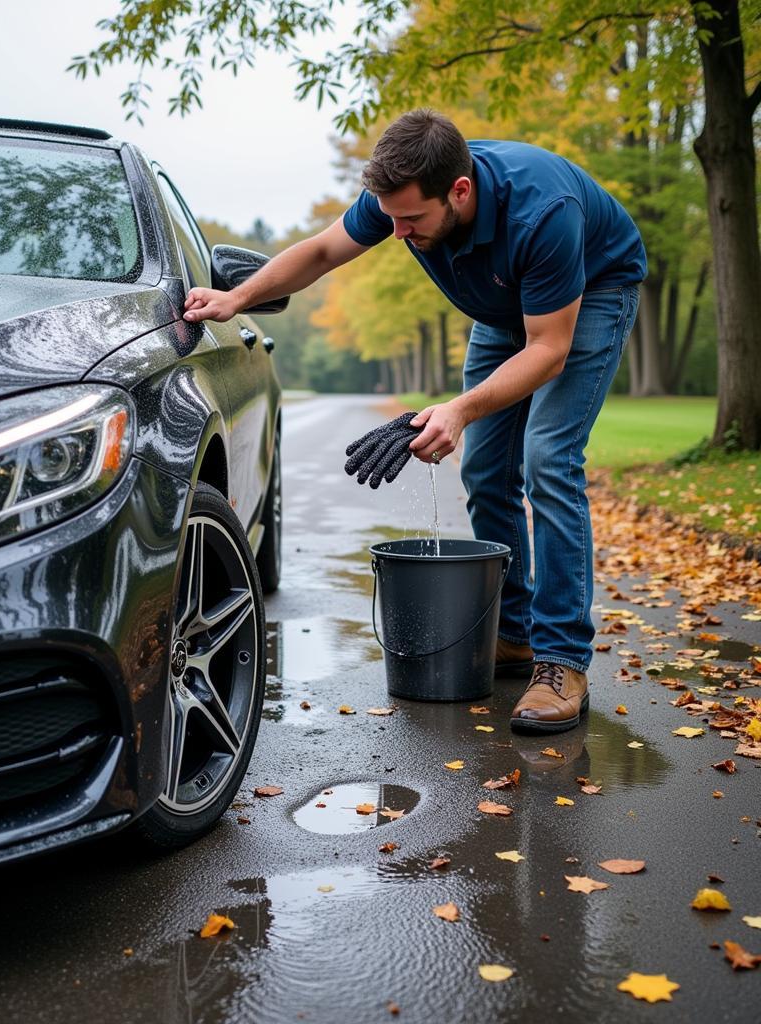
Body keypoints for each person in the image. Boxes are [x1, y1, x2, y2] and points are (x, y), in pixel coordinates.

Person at [182, 108, 646, 735]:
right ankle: (515, 633)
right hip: (506, 305)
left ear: (460, 190)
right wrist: (237, 299)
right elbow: (321, 251)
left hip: (588, 295)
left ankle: (562, 660)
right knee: (484, 468)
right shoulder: (402, 196)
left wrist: (458, 409)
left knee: (548, 459)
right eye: (390, 217)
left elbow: (547, 349)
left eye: (411, 220)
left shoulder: (543, 211)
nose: (396, 233)